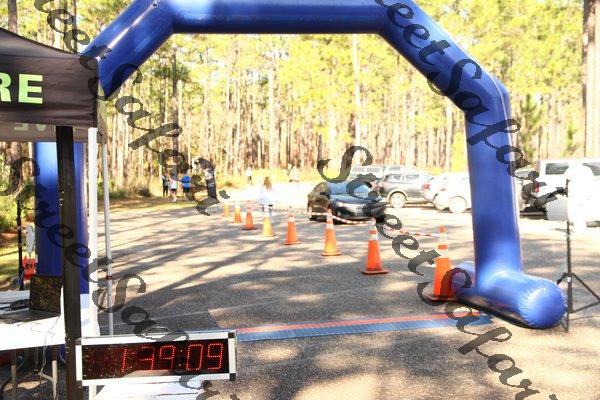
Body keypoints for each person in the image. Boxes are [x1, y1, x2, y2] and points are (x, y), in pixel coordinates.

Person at [564, 163, 595, 234]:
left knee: (576, 211)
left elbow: (566, 179)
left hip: (575, 193)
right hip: (584, 193)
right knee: (582, 211)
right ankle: (582, 228)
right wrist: (590, 193)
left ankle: (577, 228)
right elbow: (592, 181)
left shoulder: (571, 170)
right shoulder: (588, 170)